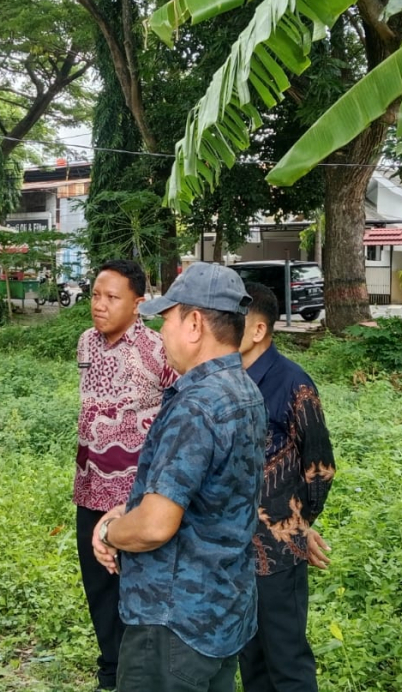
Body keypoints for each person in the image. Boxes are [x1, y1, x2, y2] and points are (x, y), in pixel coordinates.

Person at [92, 262, 267, 692]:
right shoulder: (245, 392)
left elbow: (155, 526)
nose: (162, 331)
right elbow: (211, 496)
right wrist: (131, 506)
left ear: (193, 324)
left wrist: (112, 531)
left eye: (166, 318)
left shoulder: (195, 405)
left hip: (172, 625)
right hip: (223, 616)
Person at [74, 259, 177, 689]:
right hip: (89, 488)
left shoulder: (158, 350)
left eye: (112, 297)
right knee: (98, 589)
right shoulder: (85, 344)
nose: (100, 305)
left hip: (135, 500)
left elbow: (178, 409)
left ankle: (140, 675)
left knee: (135, 591)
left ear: (138, 304)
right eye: (96, 295)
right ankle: (110, 671)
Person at [235, 283, 336, 692]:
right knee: (250, 657)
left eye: (232, 320)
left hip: (277, 553)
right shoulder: (228, 381)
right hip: (233, 550)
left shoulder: (294, 384)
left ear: (258, 330)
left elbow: (320, 467)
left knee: (287, 658)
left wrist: (298, 524)